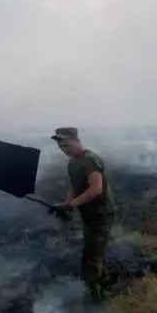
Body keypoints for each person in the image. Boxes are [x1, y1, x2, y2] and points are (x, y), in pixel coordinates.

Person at [50, 127, 116, 302]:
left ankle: (98, 297)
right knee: (92, 250)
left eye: (67, 145)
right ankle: (99, 284)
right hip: (88, 214)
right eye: (61, 147)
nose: (64, 150)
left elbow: (96, 189)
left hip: (101, 214)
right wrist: (66, 205)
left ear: (76, 140)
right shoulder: (73, 162)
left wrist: (72, 204)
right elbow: (74, 186)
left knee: (92, 256)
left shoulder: (91, 160)